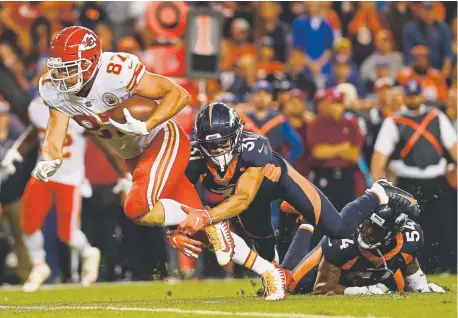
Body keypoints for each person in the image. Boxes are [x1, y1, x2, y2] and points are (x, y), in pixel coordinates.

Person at [35, 26, 234, 267]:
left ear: (92, 61)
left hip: (159, 139)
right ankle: (268, 270)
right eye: (60, 69)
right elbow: (57, 127)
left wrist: (147, 124)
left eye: (70, 69)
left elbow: (179, 95)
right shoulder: (52, 87)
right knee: (207, 235)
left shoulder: (115, 72)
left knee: (137, 208)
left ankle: (210, 219)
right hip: (132, 154)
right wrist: (50, 158)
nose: (63, 77)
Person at [176, 103, 419, 280]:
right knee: (263, 246)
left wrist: (206, 217)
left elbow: (243, 197)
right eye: (210, 145)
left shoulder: (254, 147)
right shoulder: (194, 160)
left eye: (222, 143)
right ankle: (275, 281)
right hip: (250, 201)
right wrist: (173, 230)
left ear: (237, 137)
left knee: (339, 228)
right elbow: (180, 199)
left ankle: (377, 192)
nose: (217, 151)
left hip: (279, 183)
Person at [0, 97, 132, 291]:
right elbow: (33, 134)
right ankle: (39, 265)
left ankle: (88, 253)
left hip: (69, 178)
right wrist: (14, 153)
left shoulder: (79, 112)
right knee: (28, 225)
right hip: (42, 174)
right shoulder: (39, 108)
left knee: (67, 234)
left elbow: (107, 148)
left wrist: (124, 176)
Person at [371, 80, 457, 273]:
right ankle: (415, 267)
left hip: (436, 179)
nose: (412, 99)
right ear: (404, 96)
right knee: (410, 228)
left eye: (415, 95)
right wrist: (378, 184)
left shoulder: (436, 117)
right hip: (407, 182)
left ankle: (449, 267)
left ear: (421, 95)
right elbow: (380, 154)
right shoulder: (394, 121)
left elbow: (454, 147)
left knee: (444, 225)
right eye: (409, 95)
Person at [288, 205, 446, 295]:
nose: (366, 230)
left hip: (374, 271)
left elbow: (410, 266)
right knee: (289, 284)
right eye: (366, 223)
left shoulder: (410, 237)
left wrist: (423, 286)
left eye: (375, 228)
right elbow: (322, 289)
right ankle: (308, 221)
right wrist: (362, 291)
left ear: (392, 233)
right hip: (330, 272)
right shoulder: (344, 240)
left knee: (399, 287)